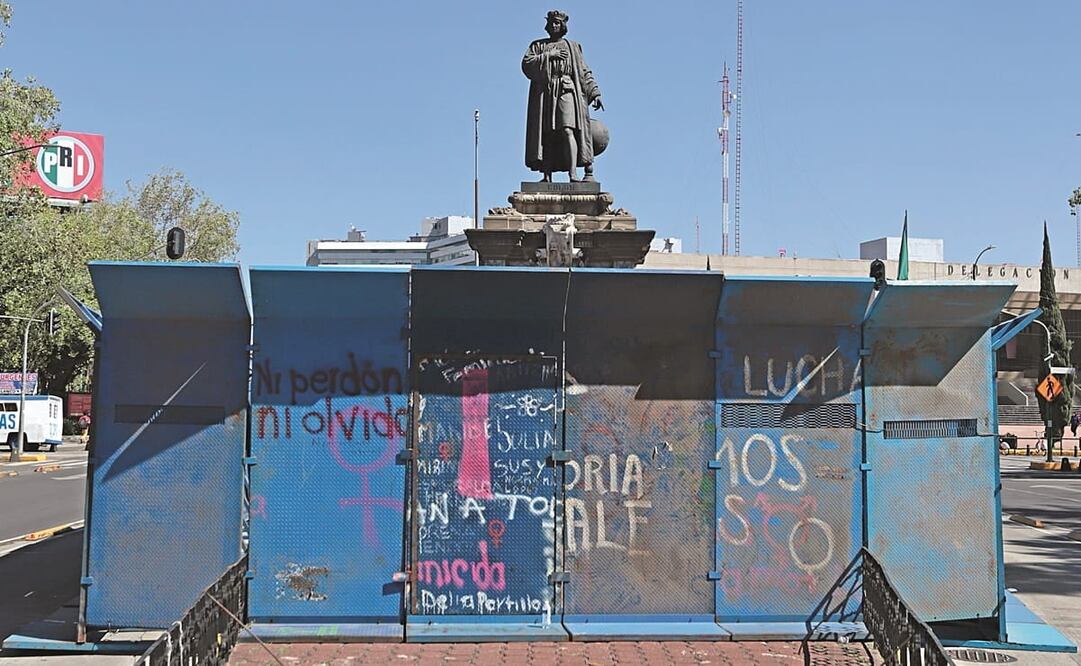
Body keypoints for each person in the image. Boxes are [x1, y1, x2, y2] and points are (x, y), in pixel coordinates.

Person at [522, 10, 604, 183]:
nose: (554, 25)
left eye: (557, 23)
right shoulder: (538, 46)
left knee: (568, 130)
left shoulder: (572, 47)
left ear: (563, 26)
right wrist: (549, 55)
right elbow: (527, 64)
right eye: (552, 22)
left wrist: (595, 92)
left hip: (566, 90)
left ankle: (572, 173)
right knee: (547, 134)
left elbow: (584, 71)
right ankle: (547, 175)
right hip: (545, 93)